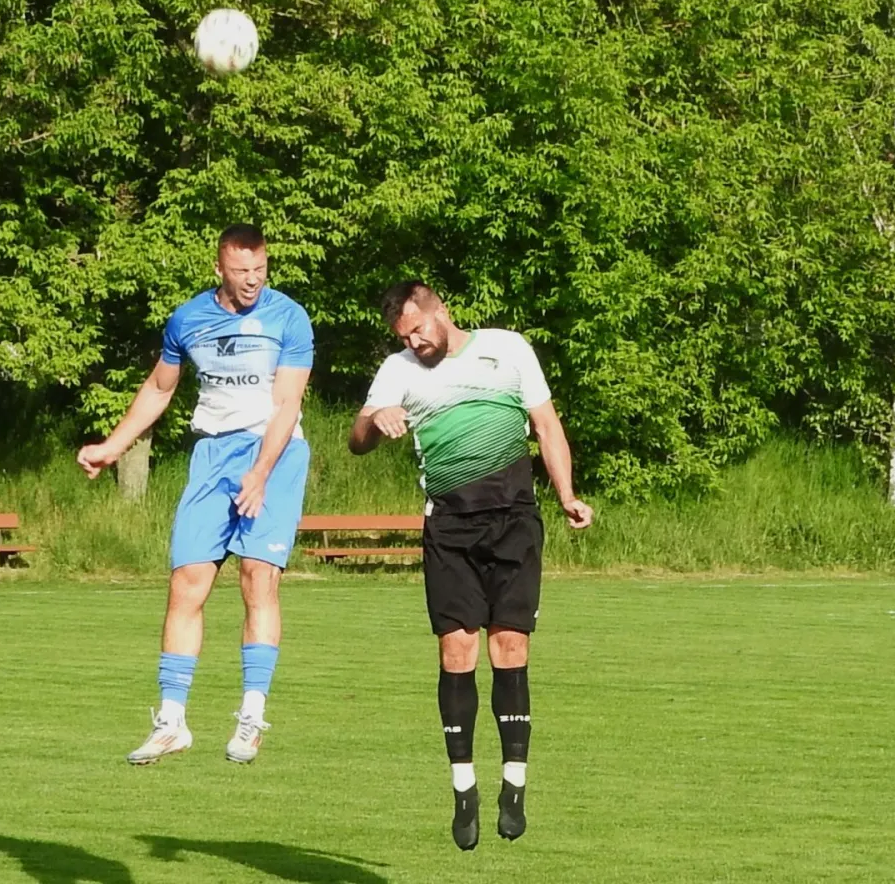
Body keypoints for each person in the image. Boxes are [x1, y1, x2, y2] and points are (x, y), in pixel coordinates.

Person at [348, 280, 593, 850]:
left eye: (417, 329)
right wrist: (376, 418)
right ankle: (464, 789)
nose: (414, 342)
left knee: (510, 646)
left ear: (439, 309)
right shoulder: (398, 371)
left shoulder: (508, 348)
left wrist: (566, 494)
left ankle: (515, 783)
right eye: (403, 336)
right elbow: (356, 440)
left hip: (514, 520)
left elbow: (546, 426)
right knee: (456, 650)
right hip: (450, 527)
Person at [77, 224, 314, 765]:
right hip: (211, 454)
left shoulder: (288, 317)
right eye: (241, 271)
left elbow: (287, 404)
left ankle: (251, 715)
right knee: (186, 583)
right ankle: (172, 722)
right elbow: (160, 388)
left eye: (260, 270)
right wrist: (112, 446)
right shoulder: (187, 319)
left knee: (258, 578)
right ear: (219, 269)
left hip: (274, 453)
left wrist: (261, 473)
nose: (252, 280)